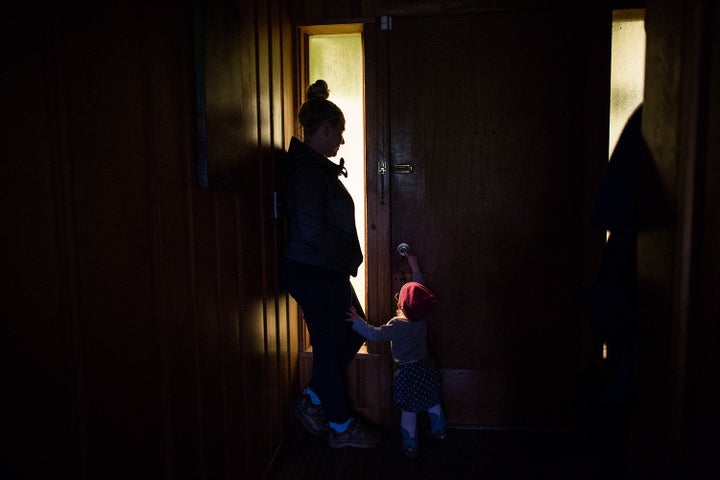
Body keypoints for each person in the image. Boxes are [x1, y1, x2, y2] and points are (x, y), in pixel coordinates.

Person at [280, 79, 380, 449]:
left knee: (354, 332)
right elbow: (310, 229)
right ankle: (340, 427)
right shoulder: (307, 171)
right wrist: (348, 256)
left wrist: (344, 259)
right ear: (323, 130)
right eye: (339, 132)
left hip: (324, 269)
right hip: (313, 270)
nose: (341, 141)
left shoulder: (315, 168)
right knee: (328, 344)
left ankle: (312, 401)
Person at [346, 251, 447, 458]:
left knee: (409, 412)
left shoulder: (397, 325)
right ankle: (439, 432)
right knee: (433, 402)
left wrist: (356, 320)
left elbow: (373, 334)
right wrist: (415, 267)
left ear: (401, 304)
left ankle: (410, 445)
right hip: (426, 368)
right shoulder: (422, 318)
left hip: (408, 373)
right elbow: (421, 292)